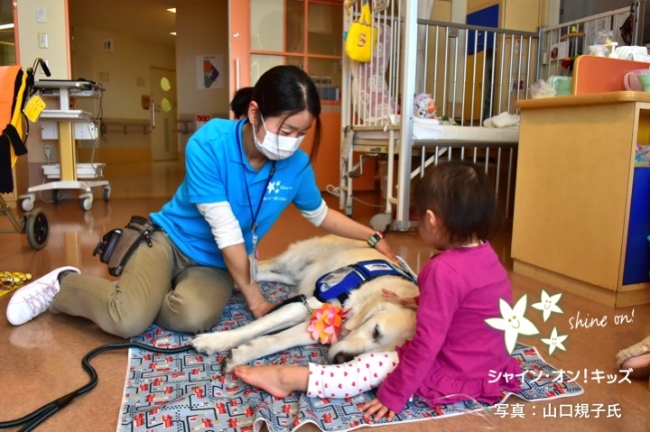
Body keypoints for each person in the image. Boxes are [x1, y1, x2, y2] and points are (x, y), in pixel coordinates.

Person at [5, 65, 396, 338]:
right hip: (170, 240)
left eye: (302, 132)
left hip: (215, 263)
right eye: (287, 129)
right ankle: (63, 286)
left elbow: (322, 215)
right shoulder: (209, 143)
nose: (293, 141)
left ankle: (145, 294)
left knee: (190, 315)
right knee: (127, 321)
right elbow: (226, 230)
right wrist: (255, 299)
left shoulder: (293, 166)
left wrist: (374, 238)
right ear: (255, 113)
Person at [234, 160, 523, 422]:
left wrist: (395, 394)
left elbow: (427, 343)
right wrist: (412, 300)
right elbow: (465, 302)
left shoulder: (443, 270)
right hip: (489, 366)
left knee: (370, 366)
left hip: (455, 370)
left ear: (432, 220)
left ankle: (288, 378)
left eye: (418, 218)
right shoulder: (487, 255)